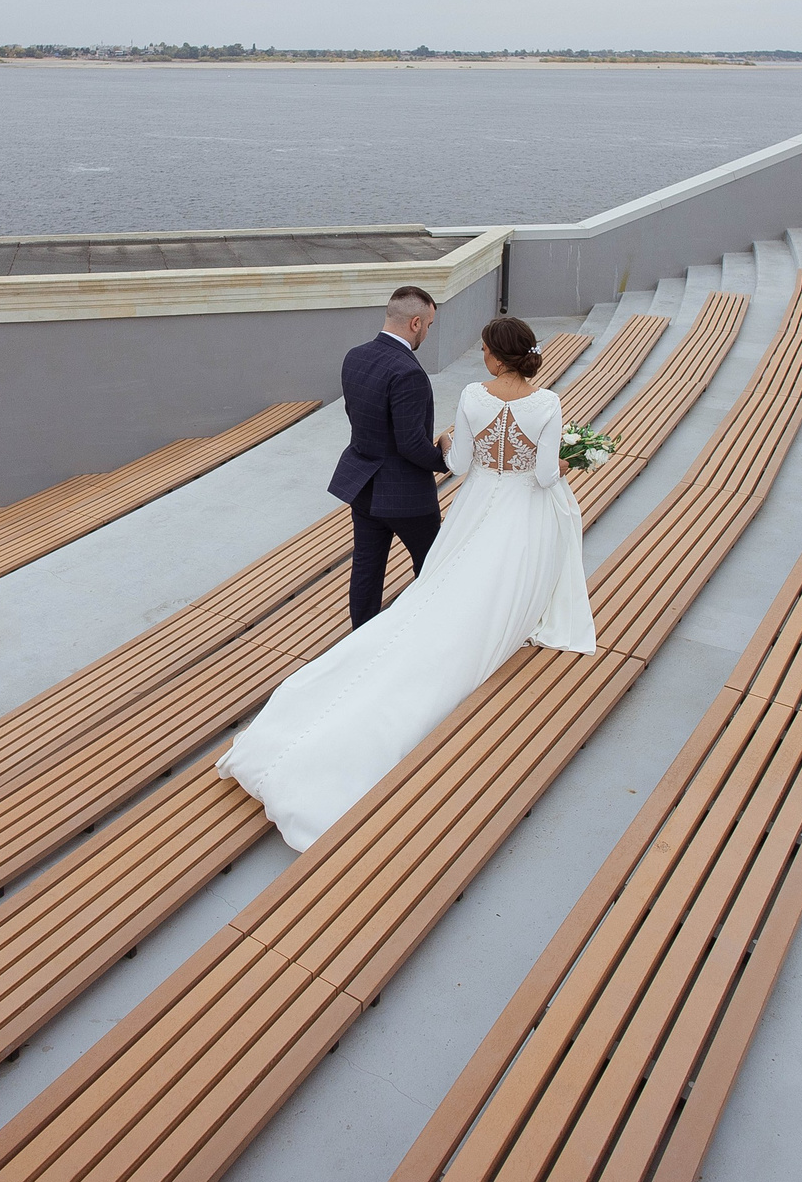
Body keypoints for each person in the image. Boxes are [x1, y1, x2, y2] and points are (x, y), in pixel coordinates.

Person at [216, 315, 596, 851]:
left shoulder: (472, 395)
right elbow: (544, 477)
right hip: (520, 513)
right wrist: (565, 455)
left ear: (494, 354)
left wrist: (450, 442)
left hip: (477, 505)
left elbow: (459, 462)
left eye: (484, 347)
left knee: (441, 589)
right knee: (498, 587)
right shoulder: (548, 404)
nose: (481, 355)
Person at [326, 285, 449, 632]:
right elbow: (411, 444)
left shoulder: (356, 356)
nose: (428, 331)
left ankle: (360, 637)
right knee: (432, 566)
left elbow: (362, 419)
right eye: (429, 325)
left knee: (366, 567)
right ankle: (430, 632)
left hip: (364, 487)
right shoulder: (409, 373)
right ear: (415, 323)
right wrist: (444, 458)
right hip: (406, 496)